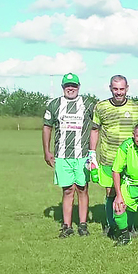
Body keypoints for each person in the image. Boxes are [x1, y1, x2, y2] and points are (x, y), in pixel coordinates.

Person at [42, 73, 97, 238]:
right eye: (67, 86)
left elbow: (97, 125)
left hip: (82, 155)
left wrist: (93, 153)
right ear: (63, 87)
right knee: (67, 190)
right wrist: (46, 151)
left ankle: (82, 224)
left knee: (82, 189)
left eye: (73, 85)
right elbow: (47, 127)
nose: (70, 88)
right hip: (62, 155)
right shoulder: (54, 105)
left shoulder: (88, 104)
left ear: (79, 87)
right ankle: (66, 226)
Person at [89, 74, 138, 237]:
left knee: (131, 194)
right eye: (115, 89)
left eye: (122, 89)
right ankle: (112, 224)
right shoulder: (101, 107)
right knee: (110, 192)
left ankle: (129, 226)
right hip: (109, 158)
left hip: (131, 159)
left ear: (127, 89)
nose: (118, 92)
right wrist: (92, 153)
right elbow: (95, 130)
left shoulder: (137, 108)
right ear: (110, 88)